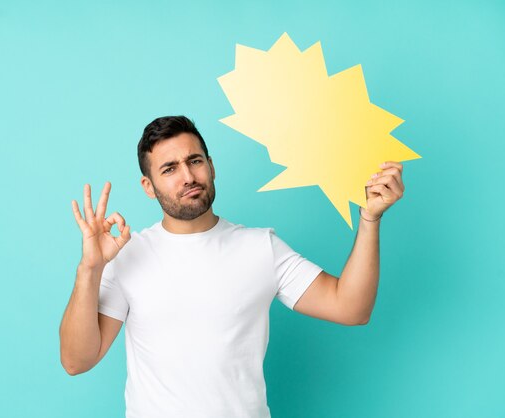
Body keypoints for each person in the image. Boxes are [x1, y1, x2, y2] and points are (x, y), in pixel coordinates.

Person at [59, 116, 405, 417]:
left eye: (194, 161)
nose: (187, 176)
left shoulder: (260, 248)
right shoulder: (129, 255)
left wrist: (369, 219)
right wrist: (90, 269)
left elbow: (352, 308)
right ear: (148, 187)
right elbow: (77, 361)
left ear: (211, 166)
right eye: (170, 169)